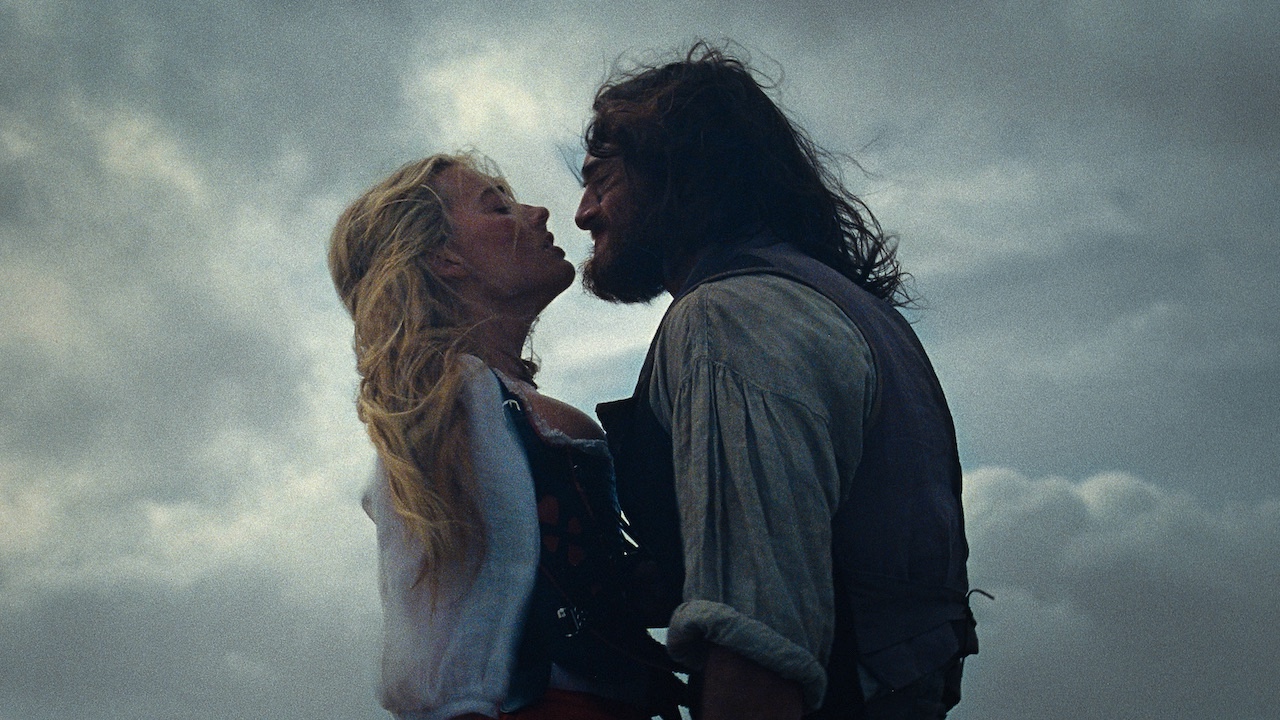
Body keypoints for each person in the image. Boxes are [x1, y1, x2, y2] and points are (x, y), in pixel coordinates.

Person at [574, 44, 978, 720]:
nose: (584, 213)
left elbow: (756, 648)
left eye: (601, 179)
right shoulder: (848, 307)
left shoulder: (727, 318)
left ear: (677, 170)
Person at [329, 153, 680, 720]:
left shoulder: (482, 402)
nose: (538, 212)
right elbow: (441, 639)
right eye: (498, 207)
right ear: (444, 259)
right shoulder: (453, 408)